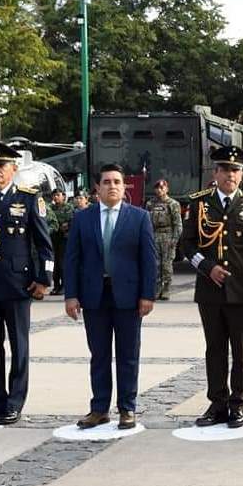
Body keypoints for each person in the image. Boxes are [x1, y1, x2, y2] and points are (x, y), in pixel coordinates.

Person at [181, 146, 243, 429]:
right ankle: (217, 403)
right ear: (216, 173)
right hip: (210, 290)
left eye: (235, 170)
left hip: (242, 290)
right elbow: (186, 244)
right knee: (215, 349)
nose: (230, 175)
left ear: (242, 174)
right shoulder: (199, 203)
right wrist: (207, 267)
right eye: (225, 169)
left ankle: (238, 404)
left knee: (241, 350)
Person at [65, 164, 157, 430]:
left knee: (128, 355)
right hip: (94, 296)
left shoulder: (139, 217)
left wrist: (147, 295)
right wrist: (71, 296)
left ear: (124, 186)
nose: (112, 186)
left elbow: (148, 260)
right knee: (99, 355)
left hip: (128, 297)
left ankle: (127, 408)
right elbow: (72, 259)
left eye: (117, 181)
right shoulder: (83, 218)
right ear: (98, 187)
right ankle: (99, 408)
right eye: (107, 182)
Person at [0, 142, 53, 426]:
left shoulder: (29, 198)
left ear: (14, 168)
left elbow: (44, 244)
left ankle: (14, 403)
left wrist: (44, 279)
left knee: (19, 346)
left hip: (18, 284)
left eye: (2, 165)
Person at [145, 179, 182, 300]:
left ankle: (166, 288)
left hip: (168, 236)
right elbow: (146, 222)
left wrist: (174, 240)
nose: (159, 190)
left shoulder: (173, 204)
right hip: (154, 235)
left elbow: (178, 224)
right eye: (157, 188)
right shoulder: (150, 204)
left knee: (166, 265)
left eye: (162, 187)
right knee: (155, 264)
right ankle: (157, 288)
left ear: (167, 189)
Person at [46, 188, 74, 296]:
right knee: (55, 263)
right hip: (53, 237)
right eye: (54, 195)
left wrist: (65, 225)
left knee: (62, 263)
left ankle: (64, 286)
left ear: (63, 196)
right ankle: (56, 285)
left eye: (58, 195)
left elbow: (70, 221)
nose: (56, 197)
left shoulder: (68, 207)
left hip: (64, 238)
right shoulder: (50, 208)